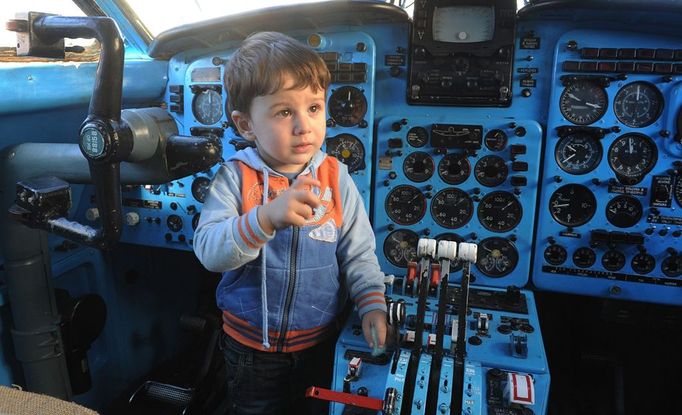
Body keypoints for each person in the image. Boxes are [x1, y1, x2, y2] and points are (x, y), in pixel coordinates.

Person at [192, 31, 388, 415]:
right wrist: (263, 219)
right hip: (251, 351)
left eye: (314, 108)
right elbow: (209, 252)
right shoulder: (235, 178)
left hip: (320, 345)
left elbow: (359, 253)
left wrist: (372, 305)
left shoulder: (336, 178)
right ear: (246, 124)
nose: (304, 126)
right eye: (284, 112)